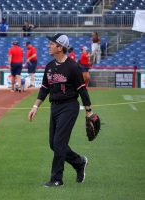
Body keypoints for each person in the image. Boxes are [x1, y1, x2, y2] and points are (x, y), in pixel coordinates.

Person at [28, 33, 93, 187]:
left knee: (59, 142)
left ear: (60, 47)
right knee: (53, 143)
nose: (48, 46)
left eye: (52, 44)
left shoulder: (72, 66)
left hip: (69, 106)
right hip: (55, 106)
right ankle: (79, 162)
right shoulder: (50, 66)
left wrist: (89, 111)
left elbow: (82, 89)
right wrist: (35, 106)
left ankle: (57, 179)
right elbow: (44, 88)